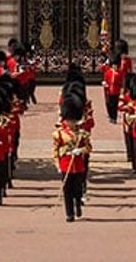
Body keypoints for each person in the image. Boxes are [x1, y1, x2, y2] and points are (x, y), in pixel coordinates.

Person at [53, 93, 91, 223]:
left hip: (78, 164)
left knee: (77, 190)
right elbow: (55, 150)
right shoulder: (59, 134)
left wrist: (80, 150)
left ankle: (78, 205)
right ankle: (69, 213)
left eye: (73, 120)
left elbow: (89, 148)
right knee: (67, 190)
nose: (71, 123)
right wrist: (57, 165)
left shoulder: (82, 134)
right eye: (69, 120)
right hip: (65, 163)